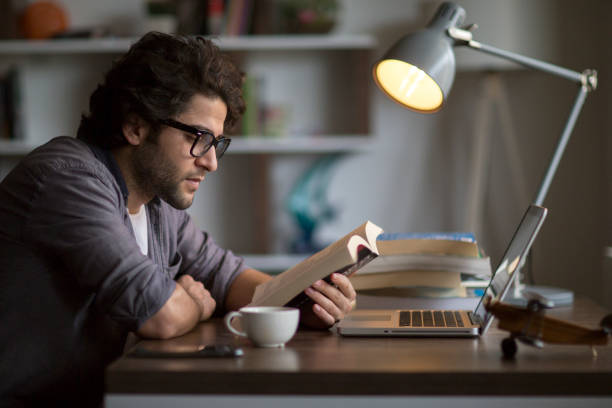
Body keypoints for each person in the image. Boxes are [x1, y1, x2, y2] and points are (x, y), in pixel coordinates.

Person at [0, 32, 356, 407]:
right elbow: (159, 315)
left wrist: (304, 304)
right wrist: (194, 304)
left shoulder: (158, 204)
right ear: (136, 126)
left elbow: (228, 277)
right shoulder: (68, 179)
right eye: (199, 137)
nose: (211, 161)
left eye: (217, 143)